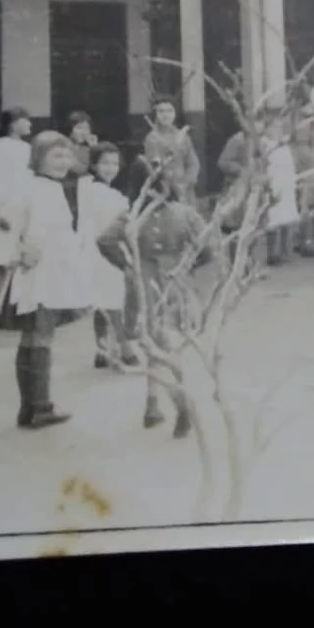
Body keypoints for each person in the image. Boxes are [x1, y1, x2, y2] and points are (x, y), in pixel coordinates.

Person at [98, 155, 214, 437]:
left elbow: (104, 241)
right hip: (175, 282)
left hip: (145, 282)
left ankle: (153, 404)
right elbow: (207, 248)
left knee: (154, 342)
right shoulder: (184, 212)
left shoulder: (132, 214)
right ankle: (179, 400)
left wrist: (128, 266)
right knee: (169, 345)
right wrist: (187, 265)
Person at [12, 133, 90, 430]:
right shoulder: (44, 190)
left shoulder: (40, 186)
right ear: (38, 158)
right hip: (45, 273)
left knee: (31, 337)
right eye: (56, 156)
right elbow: (38, 232)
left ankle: (29, 406)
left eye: (67, 156)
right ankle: (40, 405)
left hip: (43, 273)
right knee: (41, 337)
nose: (64, 162)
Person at [86, 143, 137, 369]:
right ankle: (125, 349)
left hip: (97, 248)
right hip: (102, 249)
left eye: (114, 163)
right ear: (94, 165)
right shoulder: (98, 191)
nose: (110, 168)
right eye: (105, 163)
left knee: (101, 300)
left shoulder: (101, 191)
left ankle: (102, 349)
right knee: (113, 299)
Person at [0, 108, 33, 326]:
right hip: (5, 208)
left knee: (17, 258)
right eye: (25, 120)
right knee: (0, 259)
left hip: (22, 207)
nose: (29, 124)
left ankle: (8, 309)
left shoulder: (26, 148)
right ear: (13, 124)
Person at [143, 96, 201, 206]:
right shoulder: (152, 138)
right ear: (156, 115)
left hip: (185, 189)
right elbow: (156, 168)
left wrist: (187, 181)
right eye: (161, 111)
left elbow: (193, 163)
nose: (166, 115)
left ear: (175, 113)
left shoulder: (183, 136)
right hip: (164, 190)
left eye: (169, 111)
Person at [262, 113, 301, 266]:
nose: (277, 130)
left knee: (287, 218)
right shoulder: (264, 144)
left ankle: (285, 251)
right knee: (273, 220)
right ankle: (273, 254)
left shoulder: (283, 144)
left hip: (286, 185)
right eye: (274, 127)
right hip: (273, 185)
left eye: (279, 127)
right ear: (267, 129)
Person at [291, 102, 314, 257]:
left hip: (313, 159)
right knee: (303, 202)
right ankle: (300, 241)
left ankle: (308, 239)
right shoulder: (296, 118)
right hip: (304, 160)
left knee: (313, 203)